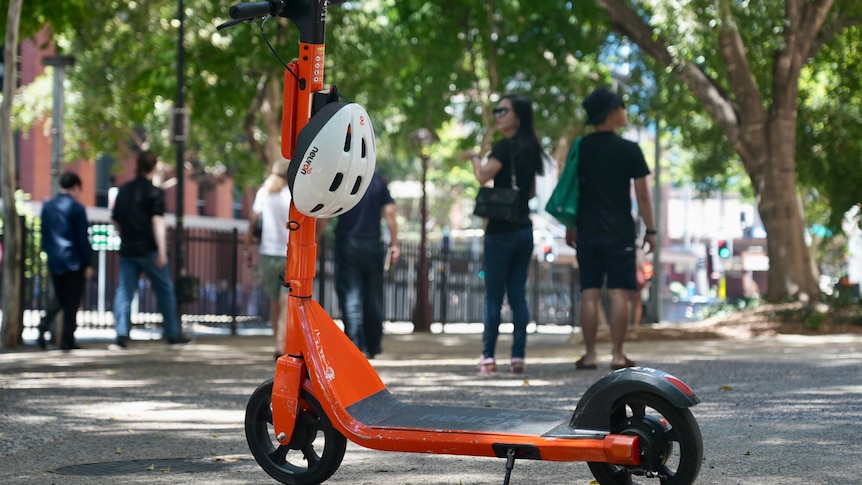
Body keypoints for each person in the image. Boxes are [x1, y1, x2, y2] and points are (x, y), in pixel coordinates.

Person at [566, 86, 657, 370]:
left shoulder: (581, 147)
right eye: (621, 107)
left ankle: (591, 354)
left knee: (590, 293)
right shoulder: (629, 149)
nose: (624, 111)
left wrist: (571, 225)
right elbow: (642, 195)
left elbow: (572, 191)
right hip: (620, 232)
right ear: (611, 113)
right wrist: (651, 230)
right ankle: (618, 355)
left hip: (587, 230)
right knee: (619, 293)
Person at [467, 94, 545, 374]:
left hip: (500, 231)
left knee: (493, 296)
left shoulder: (503, 147)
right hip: (524, 229)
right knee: (517, 295)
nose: (498, 115)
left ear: (518, 116)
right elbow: (533, 191)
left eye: (503, 111)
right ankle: (518, 357)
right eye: (496, 110)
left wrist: (476, 158)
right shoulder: (533, 147)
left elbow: (482, 176)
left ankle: (488, 357)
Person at [110, 150, 190, 348]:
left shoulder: (124, 190)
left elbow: (115, 219)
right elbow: (157, 222)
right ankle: (172, 333)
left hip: (128, 250)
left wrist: (124, 236)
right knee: (165, 291)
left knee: (125, 292)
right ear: (154, 167)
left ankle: (121, 334)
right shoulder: (155, 193)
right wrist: (162, 250)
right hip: (150, 250)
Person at [318, 172, 399, 359]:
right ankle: (373, 345)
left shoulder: (342, 178)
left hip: (347, 242)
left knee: (350, 299)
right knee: (373, 298)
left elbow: (325, 215)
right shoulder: (378, 180)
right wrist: (394, 244)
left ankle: (354, 347)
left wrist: (316, 239)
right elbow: (390, 213)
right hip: (372, 243)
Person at [37, 172, 95, 351]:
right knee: (71, 300)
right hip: (73, 260)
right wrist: (88, 262)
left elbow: (44, 234)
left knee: (61, 297)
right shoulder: (77, 209)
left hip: (55, 258)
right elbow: (82, 238)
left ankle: (45, 324)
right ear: (76, 187)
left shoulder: (48, 207)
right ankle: (66, 339)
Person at [244, 157, 292, 359]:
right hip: (289, 254)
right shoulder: (293, 194)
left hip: (267, 254)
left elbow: (253, 221)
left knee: (274, 301)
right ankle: (283, 346)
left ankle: (277, 344)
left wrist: (247, 248)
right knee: (286, 302)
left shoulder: (264, 192)